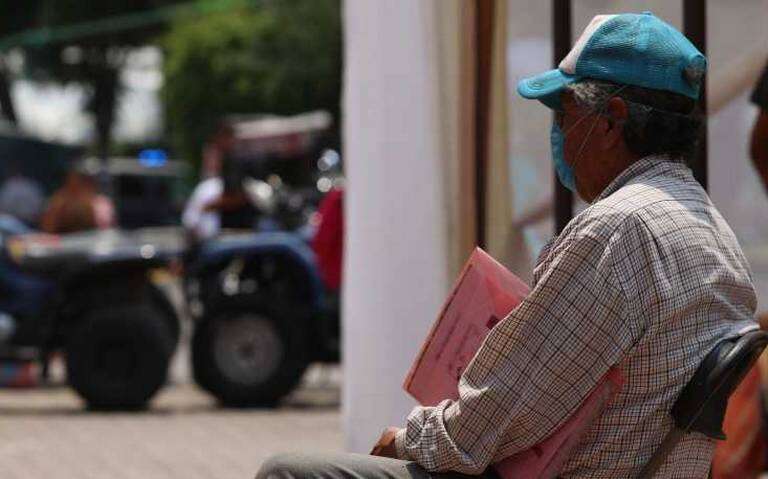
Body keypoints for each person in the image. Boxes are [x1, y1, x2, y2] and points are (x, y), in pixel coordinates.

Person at [257, 12, 757, 479]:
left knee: (286, 470)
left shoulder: (615, 232)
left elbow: (485, 426)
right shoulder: (715, 234)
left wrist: (406, 438)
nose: (558, 134)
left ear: (610, 120)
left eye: (564, 115)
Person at [40, 158, 115, 234]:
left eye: (79, 181)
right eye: (70, 180)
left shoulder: (101, 204)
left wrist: (86, 207)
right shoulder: (58, 200)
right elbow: (47, 229)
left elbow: (104, 231)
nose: (74, 186)